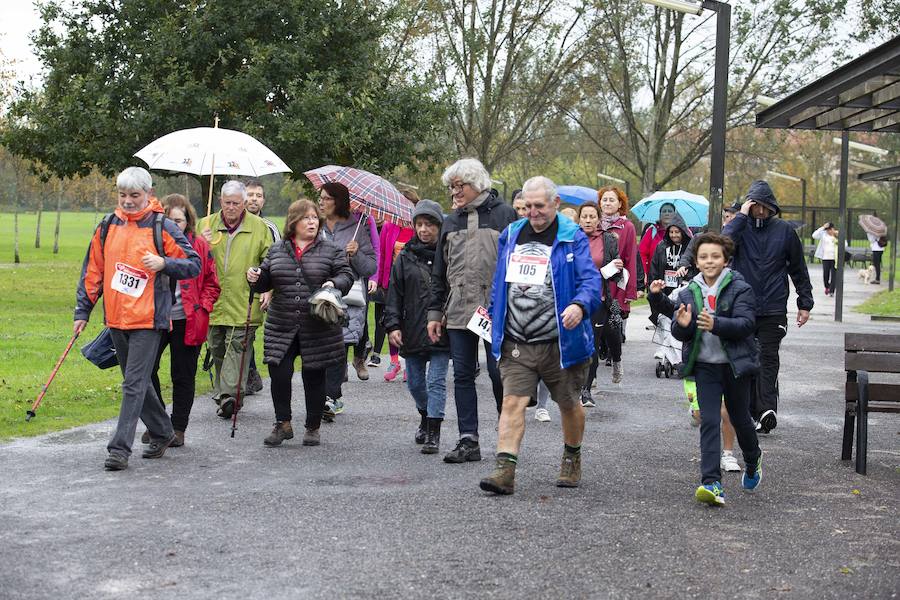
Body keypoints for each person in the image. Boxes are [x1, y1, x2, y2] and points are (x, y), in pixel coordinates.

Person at [478, 176, 600, 495]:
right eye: (527, 206)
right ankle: (505, 469)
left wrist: (579, 305)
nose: (532, 212)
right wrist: (494, 310)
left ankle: (572, 456)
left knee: (568, 403)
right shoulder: (512, 234)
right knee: (513, 401)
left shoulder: (572, 236)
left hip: (561, 342)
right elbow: (499, 280)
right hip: (517, 340)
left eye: (539, 206)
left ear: (555, 204)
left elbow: (591, 282)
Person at [75, 167, 201, 471]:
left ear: (149, 194)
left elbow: (193, 265)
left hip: (149, 319)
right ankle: (163, 431)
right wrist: (83, 310)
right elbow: (93, 271)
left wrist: (164, 263)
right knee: (138, 383)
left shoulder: (163, 227)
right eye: (123, 195)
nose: (128, 201)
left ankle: (119, 449)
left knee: (133, 383)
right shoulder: (107, 226)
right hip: (116, 318)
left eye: (135, 195)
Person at [653, 232, 762, 506]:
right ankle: (711, 483)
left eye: (715, 256)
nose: (709, 261)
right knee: (709, 420)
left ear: (726, 260)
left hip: (735, 366)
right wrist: (679, 318)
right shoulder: (689, 290)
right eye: (703, 257)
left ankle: (753, 459)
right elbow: (680, 332)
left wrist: (717, 325)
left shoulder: (740, 287)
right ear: (696, 261)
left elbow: (747, 324)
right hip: (705, 367)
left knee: (740, 419)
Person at [427, 158, 517, 463]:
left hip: (497, 311)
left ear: (476, 184)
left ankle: (507, 436)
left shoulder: (505, 215)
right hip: (458, 309)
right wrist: (434, 314)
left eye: (459, 185)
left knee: (498, 373)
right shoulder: (449, 221)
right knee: (463, 375)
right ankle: (469, 440)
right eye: (451, 187)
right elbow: (439, 272)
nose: (454, 192)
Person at [246, 199, 354, 447]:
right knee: (280, 374)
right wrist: (255, 277)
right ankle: (282, 423)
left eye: (315, 218)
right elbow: (265, 283)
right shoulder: (277, 250)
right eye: (306, 218)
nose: (312, 222)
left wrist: (334, 283)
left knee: (314, 377)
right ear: (294, 222)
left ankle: (313, 426)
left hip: (317, 325)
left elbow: (346, 275)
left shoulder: (331, 250)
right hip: (281, 324)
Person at [723, 180, 813, 434]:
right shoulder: (739, 229)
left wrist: (804, 303)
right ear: (748, 207)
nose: (761, 212)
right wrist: (740, 217)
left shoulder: (784, 231)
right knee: (746, 359)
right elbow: (723, 245)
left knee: (767, 358)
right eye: (755, 206)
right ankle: (752, 410)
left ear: (773, 207)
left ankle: (766, 410)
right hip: (743, 307)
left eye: (765, 207)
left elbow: (798, 269)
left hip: (773, 308)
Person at [146, 194, 220, 447]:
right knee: (146, 371)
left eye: (179, 220)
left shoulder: (199, 245)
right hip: (154, 318)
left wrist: (203, 306)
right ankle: (158, 422)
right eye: (168, 219)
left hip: (188, 319)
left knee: (183, 375)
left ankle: (178, 427)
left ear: (188, 221)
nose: (174, 224)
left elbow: (212, 282)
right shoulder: (150, 243)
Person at [198, 180, 273, 420]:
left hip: (244, 301)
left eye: (236, 203)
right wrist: (201, 243)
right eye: (227, 203)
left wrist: (263, 279)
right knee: (218, 348)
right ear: (220, 201)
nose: (231, 207)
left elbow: (270, 260)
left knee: (237, 348)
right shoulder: (206, 224)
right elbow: (190, 259)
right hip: (213, 302)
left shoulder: (259, 227)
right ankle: (225, 394)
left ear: (244, 204)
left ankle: (230, 395)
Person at [383, 200, 450, 454]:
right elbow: (394, 294)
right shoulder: (405, 257)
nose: (424, 230)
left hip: (441, 328)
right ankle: (425, 414)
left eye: (429, 224)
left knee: (436, 382)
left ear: (439, 226)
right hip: (411, 328)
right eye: (419, 224)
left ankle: (434, 431)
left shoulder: (447, 255)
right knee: (415, 384)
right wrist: (393, 325)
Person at [319, 182, 377, 419]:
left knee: (338, 347)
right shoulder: (314, 225)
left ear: (339, 201)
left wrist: (357, 254)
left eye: (326, 199)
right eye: (320, 198)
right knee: (321, 348)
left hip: (347, 299)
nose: (321, 202)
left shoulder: (357, 228)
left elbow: (370, 266)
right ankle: (324, 394)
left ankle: (331, 397)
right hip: (320, 296)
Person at [576, 201, 622, 406]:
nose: (588, 220)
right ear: (579, 219)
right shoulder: (570, 239)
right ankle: (571, 385)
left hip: (598, 300)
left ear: (598, 219)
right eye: (584, 216)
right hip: (572, 300)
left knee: (592, 346)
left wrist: (617, 267)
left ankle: (586, 390)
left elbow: (615, 272)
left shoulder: (608, 240)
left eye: (591, 217)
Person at [371, 188, 419, 379]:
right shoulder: (390, 227)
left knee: (410, 323)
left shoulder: (418, 228)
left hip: (413, 285)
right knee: (392, 321)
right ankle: (394, 361)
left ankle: (410, 363)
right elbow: (382, 255)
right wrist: (381, 281)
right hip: (392, 283)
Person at [596, 186, 638, 383]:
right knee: (593, 328)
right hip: (596, 286)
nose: (607, 203)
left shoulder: (626, 227)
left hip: (616, 286)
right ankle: (590, 376)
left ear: (620, 204)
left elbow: (630, 259)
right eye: (604, 200)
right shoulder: (594, 224)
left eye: (612, 200)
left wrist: (629, 291)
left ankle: (616, 360)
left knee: (612, 327)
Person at [243, 178, 281, 394]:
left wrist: (269, 289)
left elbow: (277, 260)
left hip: (263, 288)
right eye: (250, 194)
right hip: (238, 289)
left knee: (251, 332)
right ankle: (249, 374)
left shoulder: (270, 227)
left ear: (263, 201)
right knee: (243, 332)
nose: (254, 199)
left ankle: (252, 373)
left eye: (258, 195)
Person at [648, 212, 692, 327]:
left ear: (682, 232)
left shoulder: (690, 246)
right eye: (671, 232)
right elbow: (654, 267)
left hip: (681, 288)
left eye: (677, 232)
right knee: (664, 320)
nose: (674, 235)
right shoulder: (662, 246)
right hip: (665, 287)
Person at [638, 202, 677, 284]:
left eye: (670, 211)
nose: (667, 213)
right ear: (660, 215)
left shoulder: (682, 232)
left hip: (676, 275)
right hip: (655, 275)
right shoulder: (652, 231)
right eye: (664, 211)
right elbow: (642, 253)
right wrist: (643, 272)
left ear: (675, 214)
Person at [812, 222, 839, 295]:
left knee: (834, 275)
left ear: (833, 229)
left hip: (835, 259)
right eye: (827, 230)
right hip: (826, 258)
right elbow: (814, 235)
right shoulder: (824, 235)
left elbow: (845, 244)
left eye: (830, 229)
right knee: (825, 275)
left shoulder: (837, 236)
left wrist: (838, 237)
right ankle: (827, 286)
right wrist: (823, 227)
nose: (829, 231)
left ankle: (831, 291)